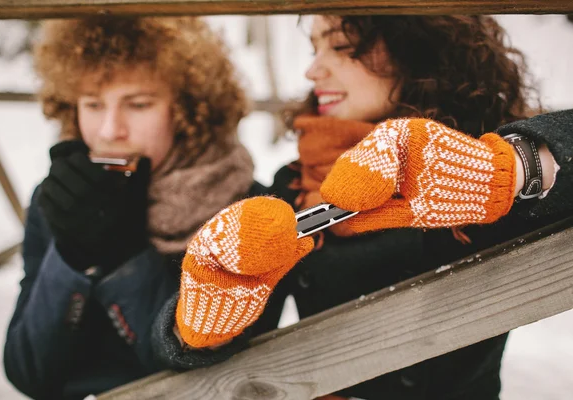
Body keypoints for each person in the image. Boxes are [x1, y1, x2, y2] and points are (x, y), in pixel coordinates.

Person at [152, 15, 572, 400]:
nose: (312, 70)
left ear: (417, 46)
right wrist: (203, 321)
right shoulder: (296, 183)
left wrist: (508, 168)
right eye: (314, 48)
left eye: (340, 46)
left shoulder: (481, 158)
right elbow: (231, 348)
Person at [2, 16, 257, 400]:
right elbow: (28, 372)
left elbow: (212, 373)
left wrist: (124, 258)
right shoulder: (55, 199)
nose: (109, 130)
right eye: (92, 104)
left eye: (137, 104)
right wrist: (72, 258)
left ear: (187, 109)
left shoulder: (246, 206)